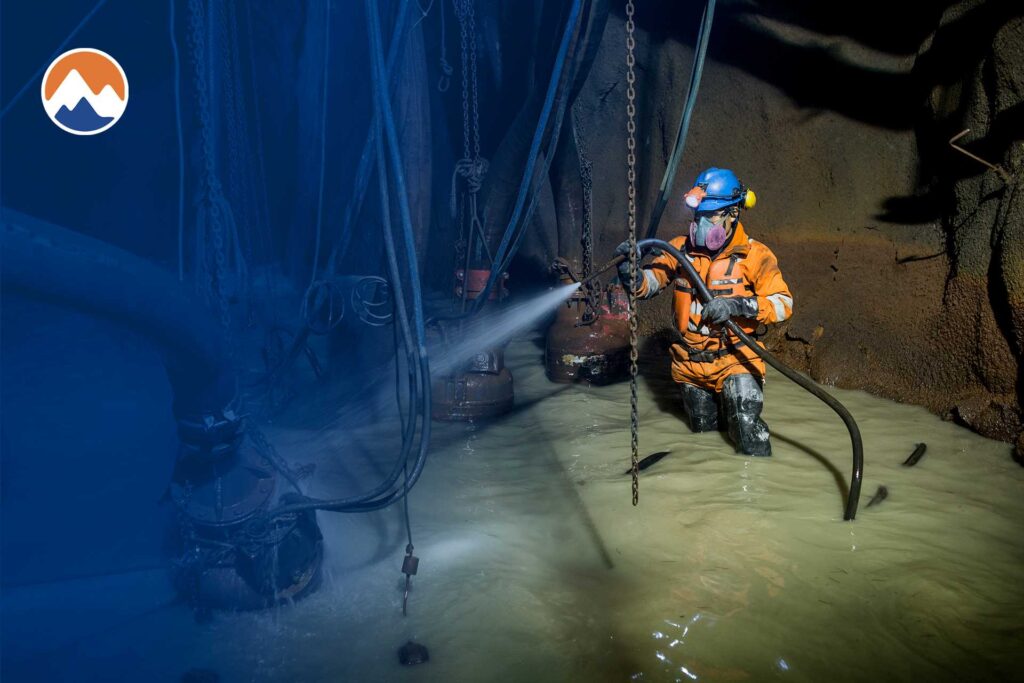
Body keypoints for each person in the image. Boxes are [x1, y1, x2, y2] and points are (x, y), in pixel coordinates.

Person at [616, 167, 793, 456]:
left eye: (709, 217)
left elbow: (784, 303)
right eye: (697, 218)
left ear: (732, 215)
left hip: (736, 362)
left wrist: (738, 305)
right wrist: (631, 274)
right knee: (703, 443)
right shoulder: (679, 251)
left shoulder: (754, 255)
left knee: (747, 436)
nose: (699, 226)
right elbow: (648, 285)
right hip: (691, 367)